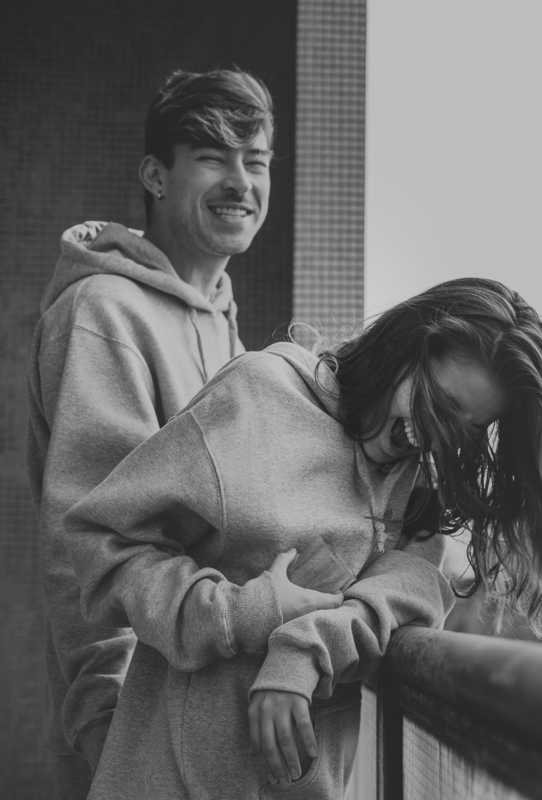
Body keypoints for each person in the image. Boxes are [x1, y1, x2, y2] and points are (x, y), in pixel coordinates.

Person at [62, 278, 542, 798]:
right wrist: (242, 612)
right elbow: (103, 538)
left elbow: (408, 591)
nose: (437, 438)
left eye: (468, 430)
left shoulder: (424, 484)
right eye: (440, 404)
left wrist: (303, 648)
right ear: (405, 348)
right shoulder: (258, 397)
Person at [26, 68, 343, 799]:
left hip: (213, 722)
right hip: (138, 735)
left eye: (256, 161)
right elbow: (86, 547)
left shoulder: (220, 321)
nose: (241, 181)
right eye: (213, 157)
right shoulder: (104, 315)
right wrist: (105, 721)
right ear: (155, 176)